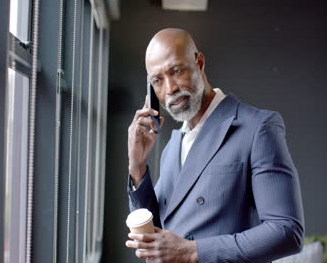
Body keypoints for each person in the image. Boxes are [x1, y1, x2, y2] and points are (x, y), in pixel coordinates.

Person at [125, 28, 304, 263]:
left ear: (199, 62)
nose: (170, 89)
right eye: (157, 81)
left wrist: (192, 251)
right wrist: (137, 166)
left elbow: (287, 232)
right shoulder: (172, 146)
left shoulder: (258, 127)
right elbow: (158, 232)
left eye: (176, 71)